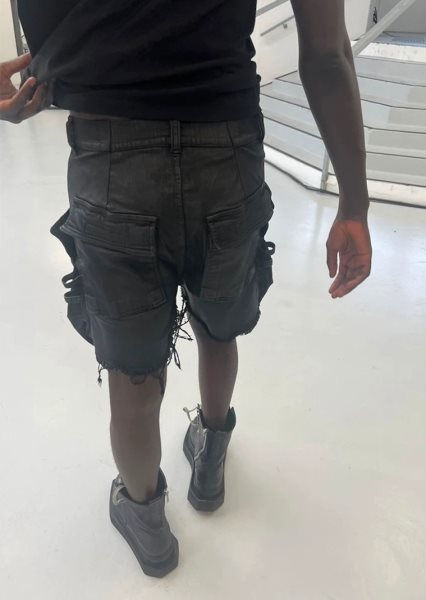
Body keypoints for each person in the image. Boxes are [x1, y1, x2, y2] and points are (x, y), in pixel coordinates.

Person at [0, 0, 372, 578]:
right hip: (227, 148)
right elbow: (326, 53)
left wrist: (50, 71)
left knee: (133, 371)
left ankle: (146, 520)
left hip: (110, 153)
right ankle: (211, 458)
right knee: (217, 323)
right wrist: (353, 203)